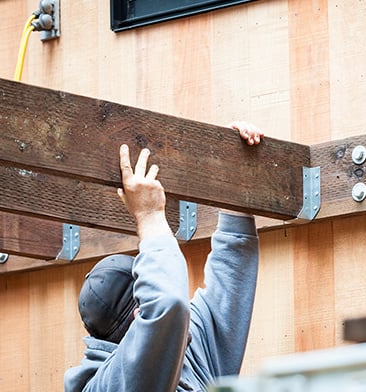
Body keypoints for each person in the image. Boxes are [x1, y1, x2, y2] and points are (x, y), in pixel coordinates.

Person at [64, 122, 264, 392]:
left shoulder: (190, 347)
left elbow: (231, 276)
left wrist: (237, 174)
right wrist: (149, 216)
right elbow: (168, 305)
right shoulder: (109, 386)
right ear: (140, 318)